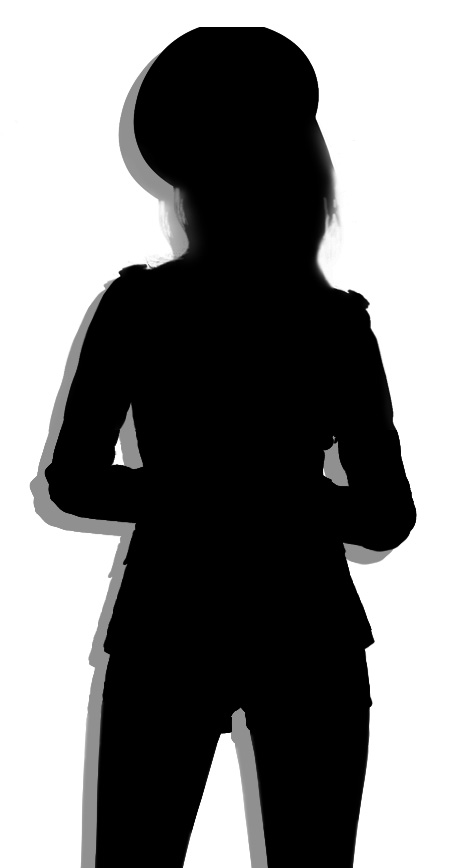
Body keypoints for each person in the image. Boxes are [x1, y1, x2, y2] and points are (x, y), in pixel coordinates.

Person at [44, 27, 417, 867]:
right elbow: (384, 517)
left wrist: (193, 491)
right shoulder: (332, 324)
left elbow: (74, 480)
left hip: (177, 624)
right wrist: (282, 495)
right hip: (296, 629)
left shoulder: (141, 309)